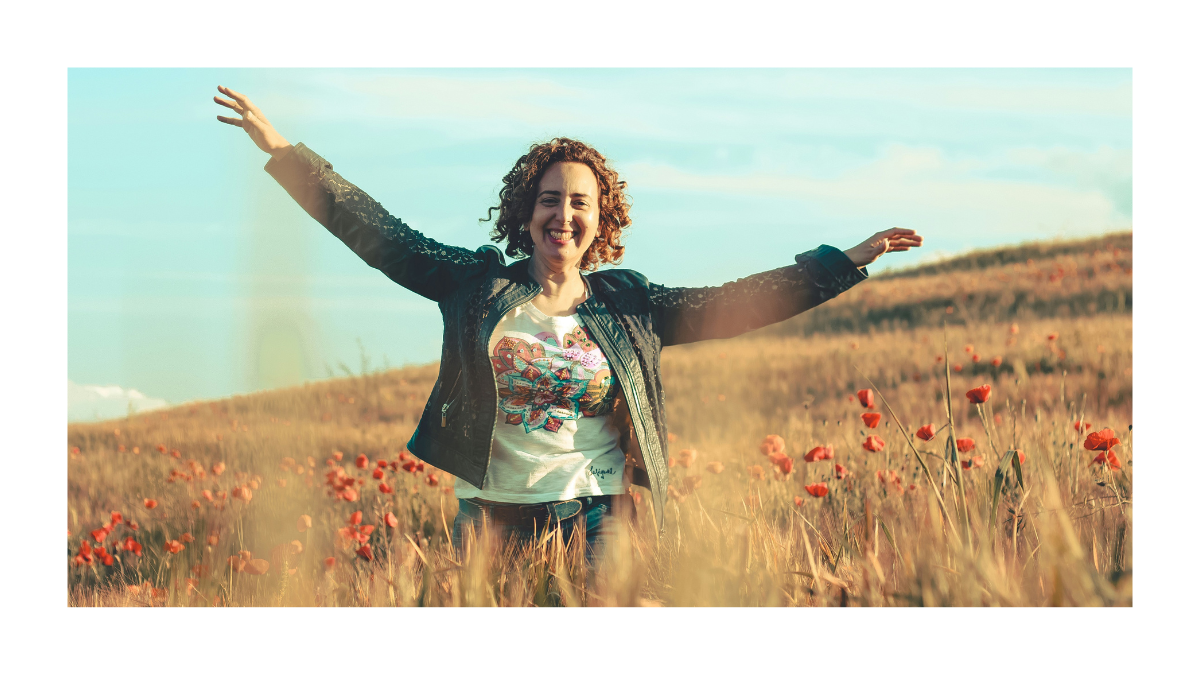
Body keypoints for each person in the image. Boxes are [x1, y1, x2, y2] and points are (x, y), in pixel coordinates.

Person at [214, 85, 922, 564]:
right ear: (526, 213)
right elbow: (380, 233)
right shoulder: (475, 284)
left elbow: (740, 300)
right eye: (550, 199)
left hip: (597, 515)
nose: (564, 214)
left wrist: (845, 261)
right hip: (490, 517)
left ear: (600, 221)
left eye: (580, 203)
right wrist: (285, 153)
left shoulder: (629, 306)